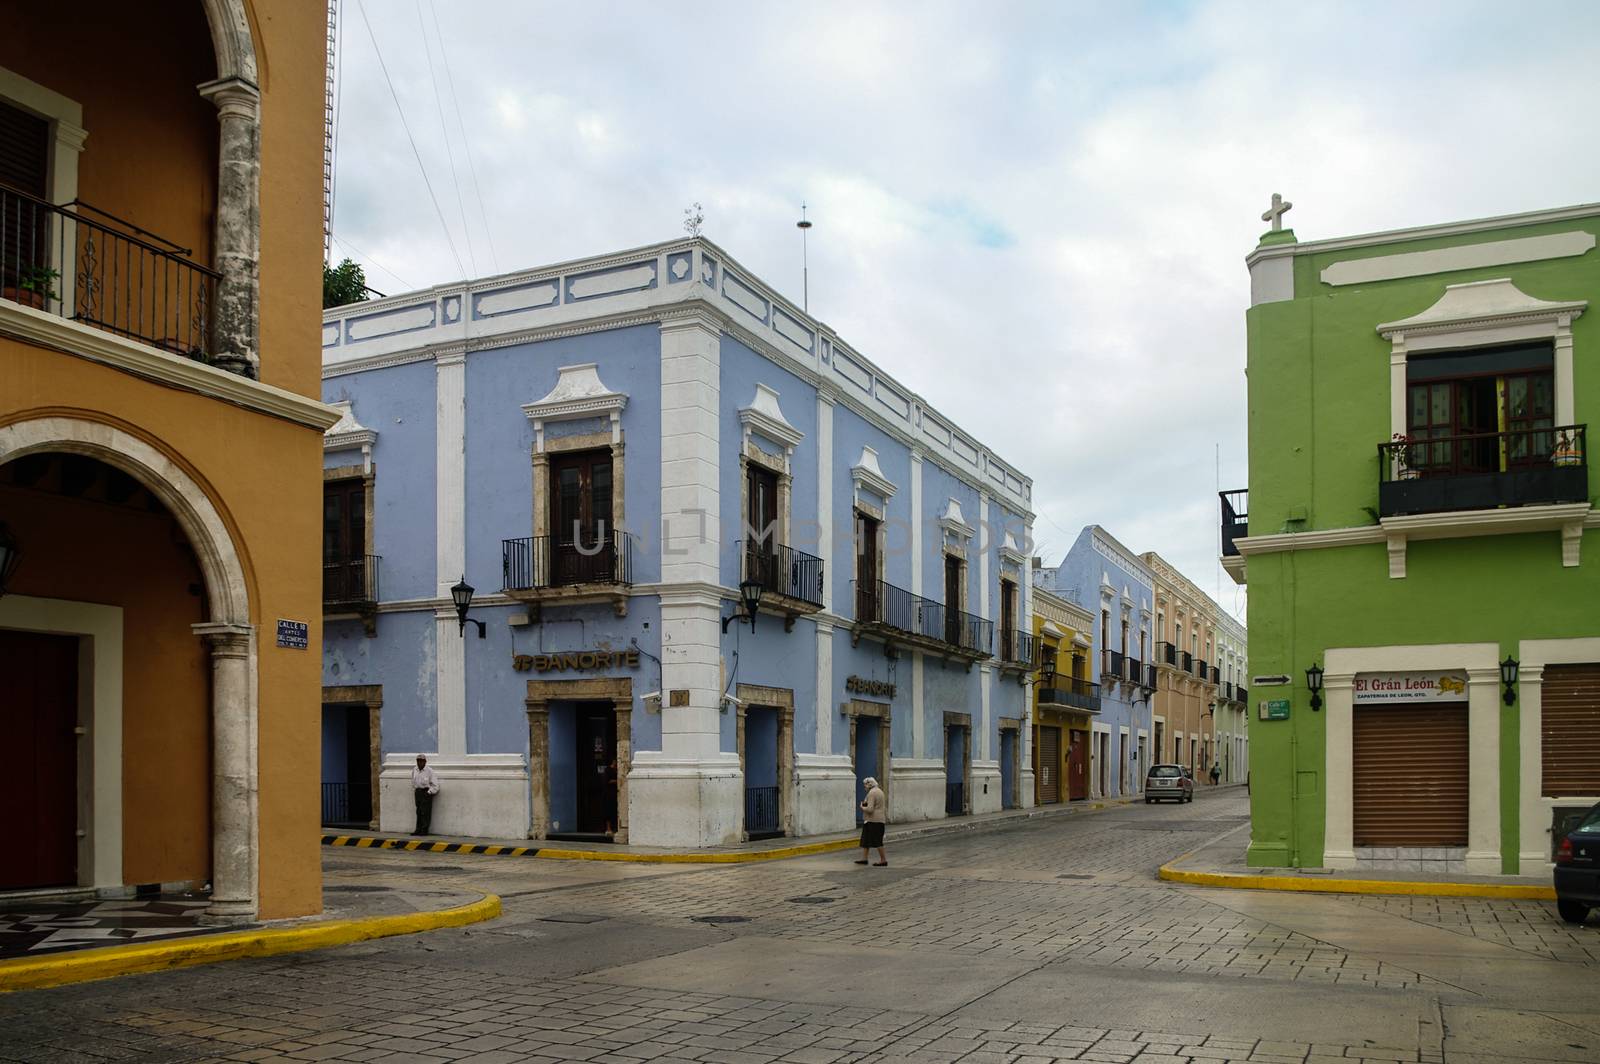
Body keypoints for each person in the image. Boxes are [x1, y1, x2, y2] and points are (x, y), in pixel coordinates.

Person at [855, 776, 887, 866]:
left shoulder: (872, 793)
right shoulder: (879, 791)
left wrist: (862, 807)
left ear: (869, 785)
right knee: (866, 840)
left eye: (865, 785)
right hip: (874, 820)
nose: (864, 787)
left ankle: (883, 860)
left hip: (874, 821)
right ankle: (864, 859)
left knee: (877, 841)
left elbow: (870, 809)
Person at [412, 754, 439, 835]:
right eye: (418, 761)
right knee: (419, 811)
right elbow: (413, 781)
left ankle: (424, 830)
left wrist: (429, 792)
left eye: (421, 761)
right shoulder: (414, 770)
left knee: (425, 812)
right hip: (418, 792)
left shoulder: (429, 771)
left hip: (426, 792)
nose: (420, 762)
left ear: (425, 762)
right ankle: (418, 829)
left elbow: (436, 785)